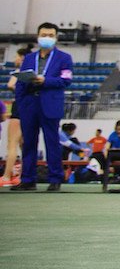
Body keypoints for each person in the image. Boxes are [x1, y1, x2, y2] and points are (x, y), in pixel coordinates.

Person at [12, 23, 73, 192]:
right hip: (30, 104)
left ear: (56, 37)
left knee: (52, 142)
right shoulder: (30, 58)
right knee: (28, 142)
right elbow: (20, 82)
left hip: (50, 103)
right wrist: (21, 101)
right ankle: (28, 179)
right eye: (44, 34)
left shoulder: (64, 58)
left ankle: (55, 179)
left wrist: (46, 81)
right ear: (38, 36)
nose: (47, 37)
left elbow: (66, 80)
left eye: (50, 35)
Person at [1, 46, 29, 187]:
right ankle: (23, 176)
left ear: (23, 58)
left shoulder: (20, 72)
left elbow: (10, 85)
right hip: (31, 108)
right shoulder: (37, 73)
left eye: (17, 56)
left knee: (12, 144)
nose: (15, 60)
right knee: (25, 145)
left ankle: (6, 177)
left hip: (19, 107)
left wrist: (20, 87)